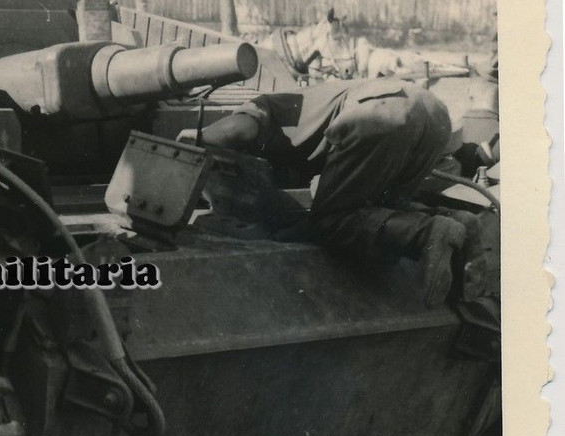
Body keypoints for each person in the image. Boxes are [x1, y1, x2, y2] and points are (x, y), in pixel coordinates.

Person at [191, 78, 467, 307]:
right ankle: (461, 223)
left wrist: (189, 142)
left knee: (332, 220)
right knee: (386, 208)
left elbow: (238, 129)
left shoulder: (264, 105)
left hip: (377, 113)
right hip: (434, 113)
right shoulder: (311, 102)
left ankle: (429, 233)